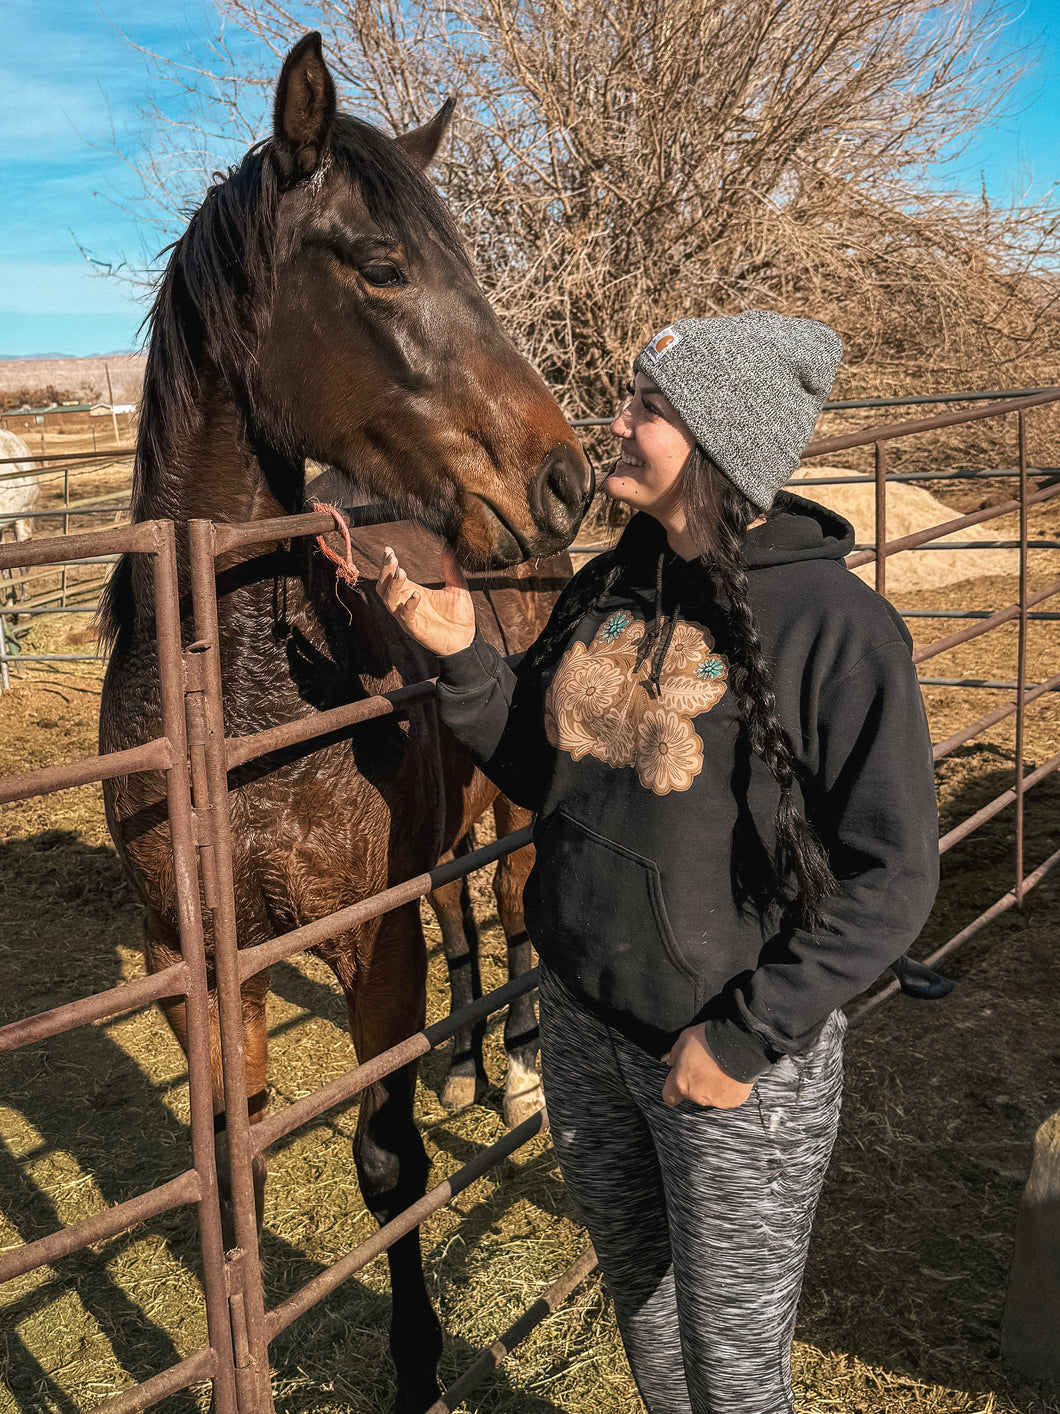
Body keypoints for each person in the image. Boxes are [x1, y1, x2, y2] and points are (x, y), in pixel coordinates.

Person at [376, 310, 940, 1414]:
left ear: (721, 446)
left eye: (649, 408)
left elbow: (894, 873)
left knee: (734, 1378)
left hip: (732, 1065)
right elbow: (544, 767)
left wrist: (742, 1038)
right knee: (645, 1319)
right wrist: (462, 659)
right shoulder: (605, 589)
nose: (617, 424)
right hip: (585, 1025)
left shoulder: (837, 626)